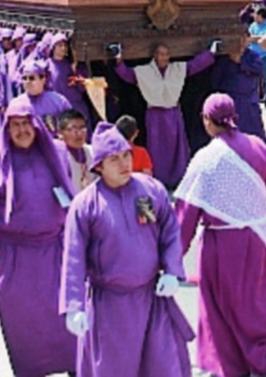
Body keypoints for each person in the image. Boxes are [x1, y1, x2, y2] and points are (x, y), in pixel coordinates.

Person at [60, 122, 194, 377]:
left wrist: (171, 270)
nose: (124, 164)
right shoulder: (86, 205)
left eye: (126, 155)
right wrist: (74, 306)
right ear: (98, 165)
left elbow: (169, 231)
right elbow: (73, 258)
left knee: (161, 366)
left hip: (151, 299)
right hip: (110, 307)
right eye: (114, 159)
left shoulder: (149, 190)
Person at [175, 94, 266, 377]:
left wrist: (172, 255)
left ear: (206, 120)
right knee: (255, 296)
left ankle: (229, 365)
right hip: (256, 236)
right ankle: (265, 351)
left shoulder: (206, 158)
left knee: (219, 306)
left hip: (221, 242)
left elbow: (187, 212)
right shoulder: (258, 145)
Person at [0, 107, 76, 377]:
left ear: (37, 124)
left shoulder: (56, 153)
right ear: (6, 129)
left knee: (69, 323)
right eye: (14, 125)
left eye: (26, 123)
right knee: (25, 328)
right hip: (17, 260)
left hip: (56, 253)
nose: (21, 130)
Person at [112, 43, 214, 190]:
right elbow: (128, 74)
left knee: (176, 149)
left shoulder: (176, 69)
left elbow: (194, 66)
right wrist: (118, 59)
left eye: (167, 54)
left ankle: (178, 179)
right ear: (155, 56)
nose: (164, 57)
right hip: (155, 116)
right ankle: (159, 181)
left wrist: (210, 53)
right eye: (161, 54)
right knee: (157, 149)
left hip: (173, 114)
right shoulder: (145, 71)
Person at [209, 34, 266, 141]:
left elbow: (259, 69)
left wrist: (240, 62)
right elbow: (216, 79)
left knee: (254, 133)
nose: (242, 42)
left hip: (248, 100)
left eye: (244, 38)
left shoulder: (252, 55)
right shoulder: (224, 58)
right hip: (232, 99)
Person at [9, 59, 73, 134]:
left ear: (43, 79)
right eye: (24, 78)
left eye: (31, 78)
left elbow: (71, 126)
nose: (27, 82)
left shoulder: (59, 102)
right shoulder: (16, 104)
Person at [59, 109, 95, 192]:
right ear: (60, 133)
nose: (79, 133)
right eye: (73, 129)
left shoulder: (93, 152)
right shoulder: (60, 159)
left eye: (82, 128)